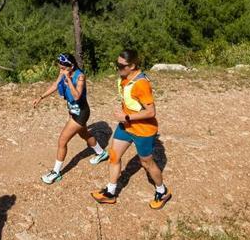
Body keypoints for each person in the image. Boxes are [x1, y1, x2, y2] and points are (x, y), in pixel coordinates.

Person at [91, 50, 172, 209]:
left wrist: (126, 117)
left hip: (143, 130)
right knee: (114, 156)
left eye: (122, 66)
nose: (118, 68)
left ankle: (162, 192)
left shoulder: (141, 84)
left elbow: (151, 112)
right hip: (126, 126)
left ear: (133, 65)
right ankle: (110, 192)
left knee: (146, 163)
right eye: (117, 64)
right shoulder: (125, 78)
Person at [34, 53, 109, 184]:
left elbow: (76, 96)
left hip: (81, 113)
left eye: (63, 68)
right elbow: (55, 85)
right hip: (73, 111)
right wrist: (41, 97)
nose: (61, 70)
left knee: (62, 141)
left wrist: (68, 80)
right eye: (60, 68)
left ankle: (56, 173)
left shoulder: (80, 76)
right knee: (85, 134)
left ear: (72, 66)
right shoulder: (64, 71)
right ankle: (101, 153)